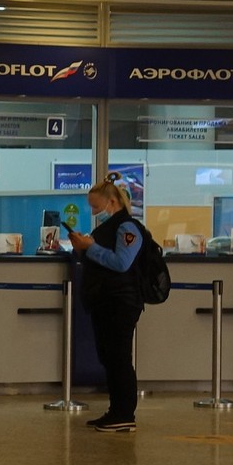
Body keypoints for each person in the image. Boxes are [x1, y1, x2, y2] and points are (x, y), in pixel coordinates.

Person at [69, 175, 145, 432]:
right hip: (105, 301)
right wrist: (82, 248)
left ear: (112, 202)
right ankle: (116, 410)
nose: (94, 212)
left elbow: (121, 263)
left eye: (96, 207)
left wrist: (90, 248)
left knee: (119, 357)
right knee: (109, 357)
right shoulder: (108, 227)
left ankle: (125, 413)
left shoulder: (127, 228)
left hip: (121, 302)